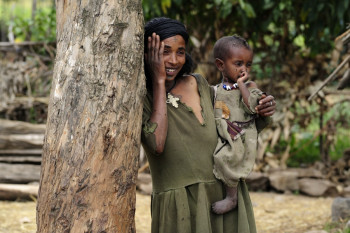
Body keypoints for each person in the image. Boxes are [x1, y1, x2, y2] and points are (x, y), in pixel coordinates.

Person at [141, 17, 276, 233]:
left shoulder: (199, 84)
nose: (174, 60)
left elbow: (234, 123)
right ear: (148, 54)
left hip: (223, 195)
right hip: (180, 204)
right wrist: (158, 82)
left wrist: (261, 111)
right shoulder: (141, 99)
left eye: (181, 52)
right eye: (164, 52)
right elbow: (157, 144)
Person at [211, 35, 271, 215]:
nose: (244, 69)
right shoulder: (217, 89)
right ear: (221, 65)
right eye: (238, 64)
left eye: (248, 64)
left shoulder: (249, 86)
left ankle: (232, 198)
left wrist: (241, 84)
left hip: (241, 135)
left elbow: (252, 107)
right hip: (225, 132)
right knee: (219, 159)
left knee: (227, 158)